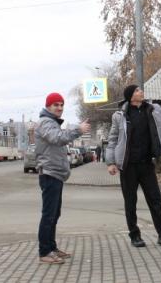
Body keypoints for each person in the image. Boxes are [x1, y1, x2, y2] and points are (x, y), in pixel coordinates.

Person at [106, 84, 161, 248]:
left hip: (147, 163)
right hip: (128, 165)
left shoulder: (154, 109)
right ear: (130, 96)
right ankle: (135, 236)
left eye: (140, 90)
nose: (141, 91)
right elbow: (112, 139)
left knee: (155, 200)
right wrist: (111, 162)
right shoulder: (120, 115)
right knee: (130, 202)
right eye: (137, 90)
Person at [35, 92, 91, 265]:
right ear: (48, 106)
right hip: (49, 173)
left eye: (61, 105)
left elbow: (58, 137)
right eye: (55, 105)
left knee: (54, 213)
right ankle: (44, 251)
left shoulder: (52, 122)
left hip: (56, 174)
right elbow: (57, 138)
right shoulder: (45, 122)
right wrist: (78, 130)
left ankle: (51, 247)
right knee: (49, 214)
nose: (59, 108)